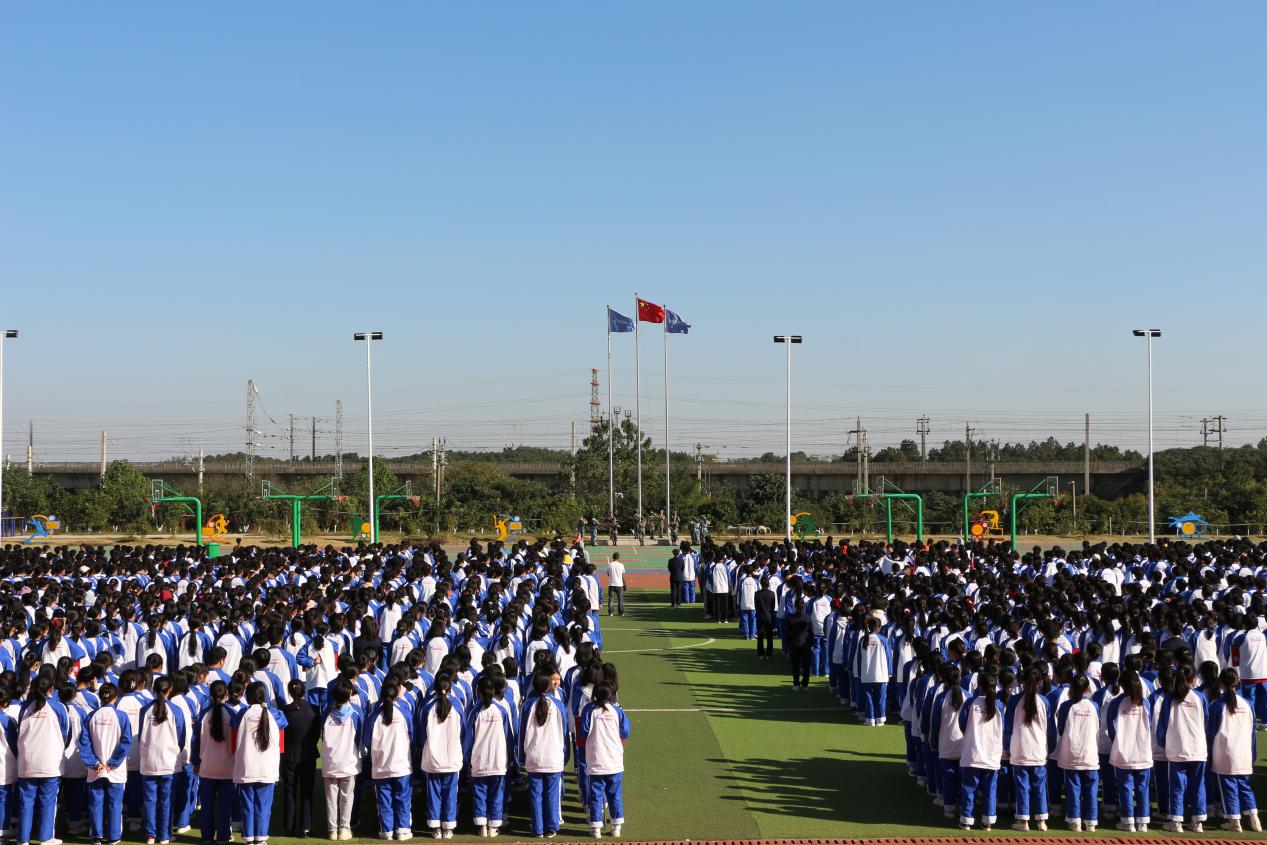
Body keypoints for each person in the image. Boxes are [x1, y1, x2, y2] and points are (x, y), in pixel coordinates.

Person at [232, 682, 286, 845]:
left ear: (247, 697)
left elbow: (233, 724)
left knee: (247, 805)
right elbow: (284, 722)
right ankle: (260, 838)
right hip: (266, 767)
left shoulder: (243, 712)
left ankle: (249, 837)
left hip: (247, 766)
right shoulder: (275, 713)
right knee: (263, 805)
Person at [17, 675, 69, 845]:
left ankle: (23, 839)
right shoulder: (59, 707)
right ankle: (46, 837)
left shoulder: (24, 708)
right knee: (48, 801)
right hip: (50, 762)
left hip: (27, 761)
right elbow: (65, 734)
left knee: (26, 802)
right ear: (51, 689)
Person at [1158, 665, 1209, 833]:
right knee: (1197, 785)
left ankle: (1176, 821)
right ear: (1193, 679)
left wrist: (1162, 743)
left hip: (1177, 747)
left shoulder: (1170, 698)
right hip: (1198, 747)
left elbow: (1163, 724)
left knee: (1177, 786)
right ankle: (1198, 822)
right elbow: (1206, 722)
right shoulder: (1200, 697)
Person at [1208, 667, 1261, 832]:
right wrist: (1253, 752)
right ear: (1237, 683)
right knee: (1244, 785)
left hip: (1224, 751)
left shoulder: (1217, 705)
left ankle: (1234, 821)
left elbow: (1211, 732)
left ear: (1221, 683)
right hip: (1244, 751)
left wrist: (1209, 753)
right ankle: (1254, 819)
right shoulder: (1247, 704)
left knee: (1228, 787)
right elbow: (1253, 733)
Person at [79, 682, 132, 845]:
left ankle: (97, 836)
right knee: (115, 804)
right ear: (115, 697)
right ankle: (114, 836)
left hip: (96, 768)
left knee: (96, 803)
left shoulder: (91, 716)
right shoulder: (121, 716)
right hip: (113, 769)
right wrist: (113, 763)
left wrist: (94, 762)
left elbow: (84, 743)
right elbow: (126, 742)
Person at [137, 677, 187, 845]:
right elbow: (181, 737)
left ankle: (151, 835)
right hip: (169, 762)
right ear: (170, 689)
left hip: (149, 761)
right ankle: (164, 835)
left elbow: (140, 736)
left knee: (150, 801)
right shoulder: (175, 710)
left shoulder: (145, 710)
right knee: (166, 801)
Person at [577, 681, 630, 839]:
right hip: (614, 759)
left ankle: (596, 828)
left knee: (596, 794)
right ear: (610, 695)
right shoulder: (617, 710)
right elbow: (625, 731)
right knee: (615, 794)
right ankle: (616, 827)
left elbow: (583, 732)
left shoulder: (589, 710)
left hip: (596, 759)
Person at [519, 673, 569, 838]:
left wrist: (521, 756)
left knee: (536, 794)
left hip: (534, 756)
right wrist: (566, 755)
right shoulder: (558, 705)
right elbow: (564, 732)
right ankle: (551, 827)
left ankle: (537, 829)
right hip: (553, 756)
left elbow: (521, 734)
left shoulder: (527, 706)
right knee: (551, 794)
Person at [464, 676, 513, 838]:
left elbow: (468, 740)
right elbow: (509, 737)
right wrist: (511, 757)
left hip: (479, 760)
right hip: (498, 760)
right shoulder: (501, 710)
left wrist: (466, 759)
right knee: (496, 794)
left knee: (480, 793)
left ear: (478, 691)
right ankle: (493, 826)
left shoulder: (474, 712)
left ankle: (482, 826)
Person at [1106, 669, 1153, 833]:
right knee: (1142, 788)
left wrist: (1118, 743)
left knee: (1125, 787)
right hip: (1142, 751)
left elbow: (1110, 729)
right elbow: (1150, 725)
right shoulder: (1145, 703)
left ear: (1122, 685)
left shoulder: (1116, 703)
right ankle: (1143, 822)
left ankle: (1128, 822)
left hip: (1123, 751)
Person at [364, 682, 413, 841]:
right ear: (397, 694)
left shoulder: (373, 717)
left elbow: (366, 741)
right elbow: (412, 735)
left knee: (385, 801)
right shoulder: (404, 712)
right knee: (402, 799)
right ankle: (403, 830)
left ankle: (387, 831)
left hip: (381, 766)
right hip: (401, 765)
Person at [956, 669, 1002, 831]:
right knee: (990, 789)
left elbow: (961, 724)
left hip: (973, 752)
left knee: (969, 787)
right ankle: (987, 822)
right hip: (992, 754)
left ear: (979, 686)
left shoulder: (970, 703)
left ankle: (967, 820)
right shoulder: (999, 706)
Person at [418, 677, 464, 839]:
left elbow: (421, 734)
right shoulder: (458, 705)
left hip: (432, 758)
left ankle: (436, 828)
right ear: (450, 689)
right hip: (452, 758)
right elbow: (463, 731)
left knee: (434, 794)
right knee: (450, 793)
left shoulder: (427, 706)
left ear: (434, 689)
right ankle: (447, 828)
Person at [1053, 674, 1099, 832]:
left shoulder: (1066, 706)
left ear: (1071, 689)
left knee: (1073, 788)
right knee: (1090, 788)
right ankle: (1091, 822)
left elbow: (1060, 728)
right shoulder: (1094, 706)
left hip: (1071, 752)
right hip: (1090, 752)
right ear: (1087, 689)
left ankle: (1075, 821)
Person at [192, 681, 235, 845]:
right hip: (228, 768)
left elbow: (195, 742)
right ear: (226, 695)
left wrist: (196, 762)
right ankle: (223, 837)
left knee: (207, 806)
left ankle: (207, 837)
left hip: (207, 767)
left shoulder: (203, 715)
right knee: (225, 806)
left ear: (210, 695)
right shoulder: (232, 714)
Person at [320, 682, 362, 842]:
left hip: (331, 761)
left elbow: (322, 734)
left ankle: (332, 830)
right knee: (347, 796)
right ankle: (344, 829)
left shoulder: (326, 713)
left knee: (331, 797)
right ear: (350, 694)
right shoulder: (356, 712)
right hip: (349, 761)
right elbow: (360, 737)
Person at [279, 680, 319, 838]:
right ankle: (306, 827)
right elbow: (316, 734)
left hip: (290, 755)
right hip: (308, 754)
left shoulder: (285, 711)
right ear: (304, 692)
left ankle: (289, 826)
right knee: (306, 792)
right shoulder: (314, 710)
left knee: (289, 791)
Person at [854, 616, 891, 726]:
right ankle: (880, 718)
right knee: (880, 698)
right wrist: (890, 671)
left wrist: (860, 673)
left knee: (868, 697)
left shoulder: (863, 639)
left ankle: (870, 718)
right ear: (878, 628)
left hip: (866, 674)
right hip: (881, 674)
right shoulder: (882, 639)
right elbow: (888, 657)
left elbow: (859, 659)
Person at [785, 599, 812, 690]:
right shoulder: (808, 617)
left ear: (795, 606)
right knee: (806, 666)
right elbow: (811, 632)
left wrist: (788, 646)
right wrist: (811, 644)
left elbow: (787, 634)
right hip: (806, 645)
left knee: (795, 666)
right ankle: (805, 685)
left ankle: (796, 684)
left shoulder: (791, 618)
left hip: (795, 644)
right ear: (803, 606)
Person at [754, 578, 776, 660]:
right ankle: (769, 654)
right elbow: (773, 607)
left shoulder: (757, 594)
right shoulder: (772, 594)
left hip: (760, 616)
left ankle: (760, 654)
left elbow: (756, 606)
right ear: (768, 584)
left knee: (760, 636)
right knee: (769, 636)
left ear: (761, 584)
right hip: (769, 616)